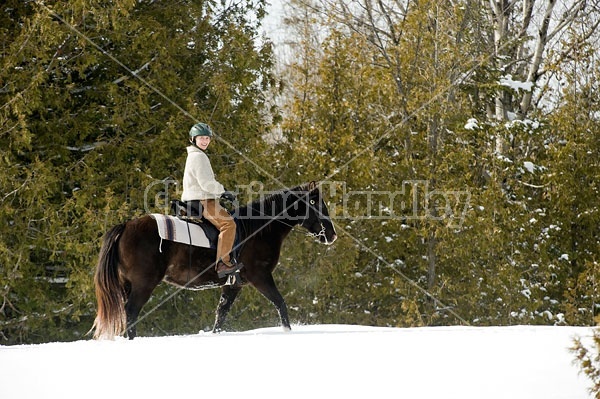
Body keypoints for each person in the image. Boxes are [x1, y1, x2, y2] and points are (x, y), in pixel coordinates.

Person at [181, 122, 242, 278]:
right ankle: (223, 262)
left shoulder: (194, 155)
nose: (205, 141)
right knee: (228, 224)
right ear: (193, 139)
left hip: (196, 198)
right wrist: (223, 192)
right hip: (203, 200)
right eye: (201, 138)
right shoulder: (199, 157)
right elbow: (206, 183)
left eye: (207, 138)